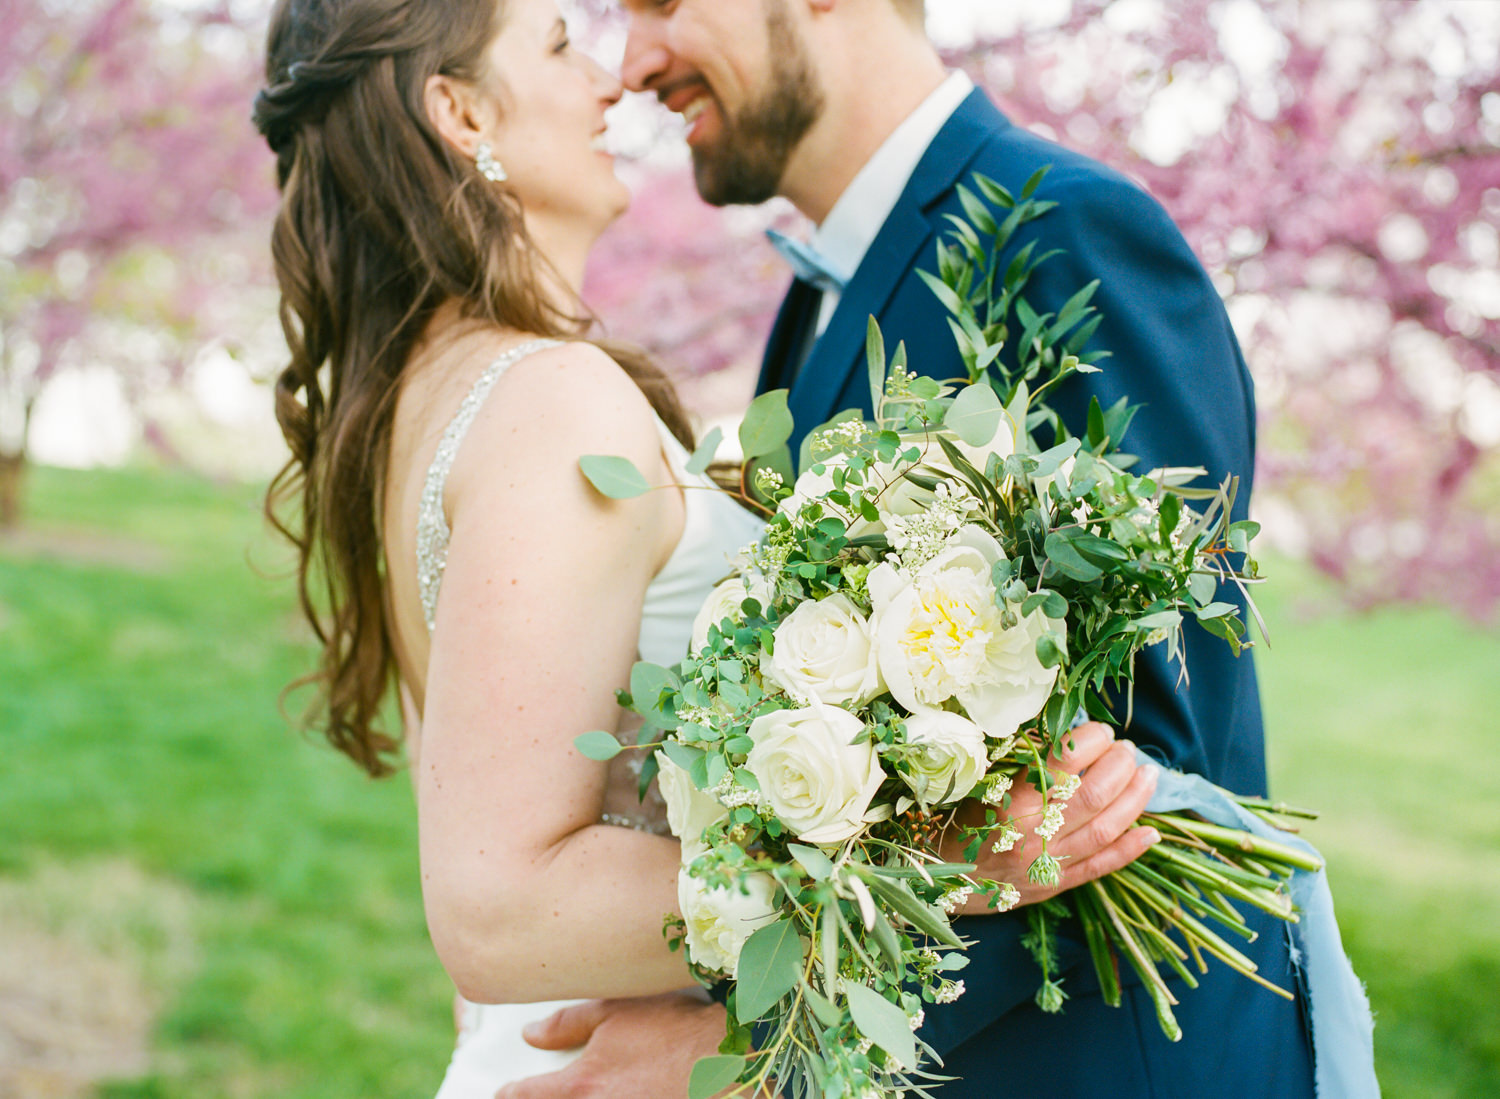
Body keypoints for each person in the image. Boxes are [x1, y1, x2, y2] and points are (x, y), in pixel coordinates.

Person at [251, 0, 1156, 1096]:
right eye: (556, 44)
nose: (611, 79)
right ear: (456, 110)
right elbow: (496, 903)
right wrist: (925, 860)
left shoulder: (429, 394)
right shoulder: (550, 404)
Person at [502, 0, 1320, 1095]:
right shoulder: (816, 302)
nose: (635, 61)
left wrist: (758, 1052)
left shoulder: (1065, 233)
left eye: (661, 3)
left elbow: (1140, 778)